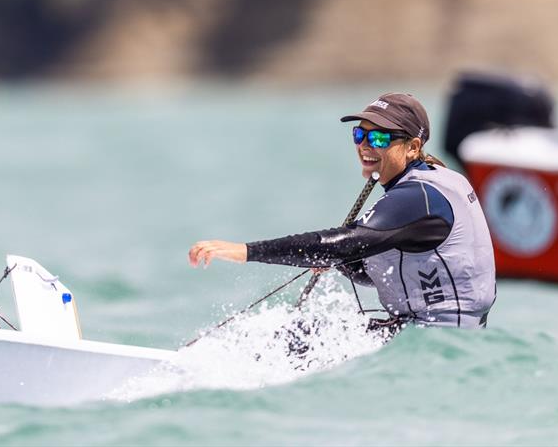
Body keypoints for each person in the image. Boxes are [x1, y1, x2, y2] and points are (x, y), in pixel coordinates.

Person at [188, 93, 497, 332]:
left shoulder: (419, 197)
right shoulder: (434, 184)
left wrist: (245, 251)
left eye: (378, 138)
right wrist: (340, 262)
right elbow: (376, 267)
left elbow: (346, 243)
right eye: (359, 136)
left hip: (433, 344)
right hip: (434, 337)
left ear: (413, 147)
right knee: (314, 332)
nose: (365, 146)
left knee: (298, 336)